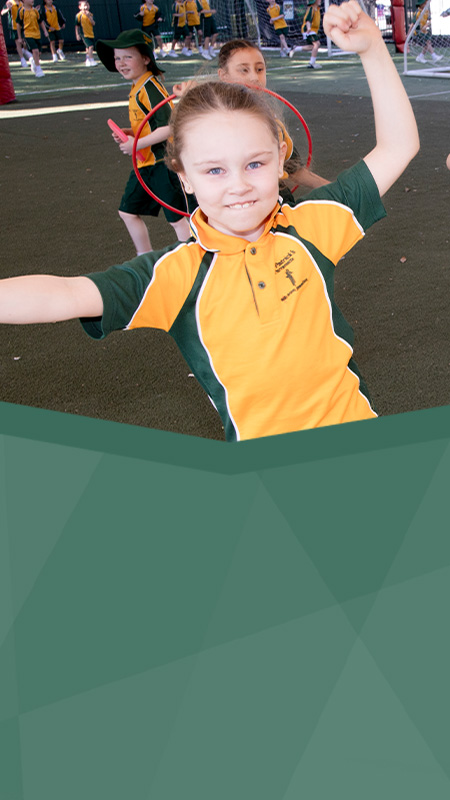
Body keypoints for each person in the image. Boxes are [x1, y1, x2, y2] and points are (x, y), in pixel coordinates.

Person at [0, 3, 419, 443]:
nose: (238, 185)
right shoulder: (173, 274)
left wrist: (373, 48)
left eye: (254, 163)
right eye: (214, 170)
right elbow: (63, 294)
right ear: (184, 177)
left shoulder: (313, 225)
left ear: (280, 158)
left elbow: (398, 146)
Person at [96, 29, 191, 255]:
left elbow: (169, 126)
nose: (121, 63)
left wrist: (136, 144)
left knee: (177, 218)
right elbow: (148, 124)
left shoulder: (149, 87)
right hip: (145, 165)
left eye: (128, 57)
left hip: (161, 163)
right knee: (127, 211)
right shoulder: (137, 86)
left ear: (146, 59)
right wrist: (131, 133)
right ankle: (144, 257)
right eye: (117, 58)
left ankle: (194, 257)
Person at [216, 38, 329, 193]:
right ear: (223, 76)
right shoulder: (210, 122)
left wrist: (331, 188)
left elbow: (293, 170)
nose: (254, 78)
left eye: (259, 69)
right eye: (244, 70)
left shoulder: (272, 122)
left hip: (276, 205)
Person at [16, 0, 47, 77]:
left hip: (37, 34)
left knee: (38, 53)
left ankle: (33, 61)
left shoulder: (36, 11)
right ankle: (38, 69)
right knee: (35, 51)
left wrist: (45, 31)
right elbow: (18, 25)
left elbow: (41, 21)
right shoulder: (21, 11)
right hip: (28, 34)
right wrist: (19, 37)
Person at [289, 0, 322, 69]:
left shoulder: (317, 9)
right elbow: (308, 20)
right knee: (317, 44)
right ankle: (312, 63)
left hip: (313, 30)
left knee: (312, 47)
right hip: (309, 30)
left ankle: (296, 48)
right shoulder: (311, 8)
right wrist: (308, 27)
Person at [408, 0, 443, 64]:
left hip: (424, 31)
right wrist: (408, 35)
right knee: (428, 42)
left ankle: (421, 56)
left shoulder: (426, 11)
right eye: (425, 3)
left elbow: (430, 20)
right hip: (418, 31)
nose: (427, 5)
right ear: (421, 4)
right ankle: (433, 56)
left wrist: (426, 25)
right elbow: (413, 24)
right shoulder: (418, 13)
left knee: (427, 44)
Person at [1, 0, 32, 66]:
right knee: (18, 42)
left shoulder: (22, 3)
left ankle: (25, 51)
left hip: (23, 26)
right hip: (14, 26)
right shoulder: (9, 2)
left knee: (24, 42)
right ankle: (22, 59)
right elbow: (2, 12)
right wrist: (8, 9)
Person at [75, 0, 96, 67]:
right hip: (84, 34)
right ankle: (91, 59)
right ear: (80, 7)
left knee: (87, 48)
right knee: (91, 46)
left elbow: (93, 23)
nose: (85, 7)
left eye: (87, 5)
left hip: (90, 33)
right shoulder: (78, 15)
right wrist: (77, 34)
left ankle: (88, 60)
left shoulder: (90, 14)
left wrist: (89, 16)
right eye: (84, 5)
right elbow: (77, 26)